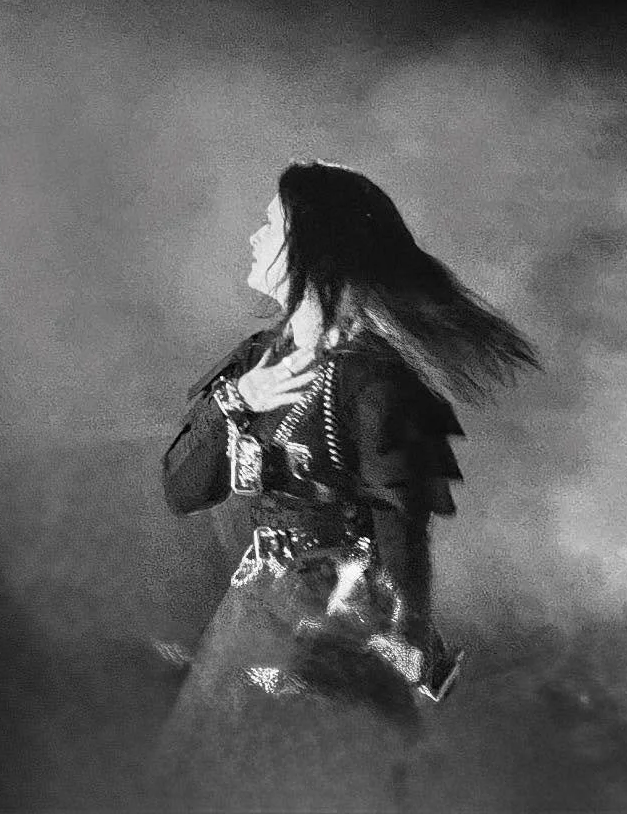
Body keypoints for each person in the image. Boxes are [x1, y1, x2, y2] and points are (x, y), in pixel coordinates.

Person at [153, 161, 538, 811]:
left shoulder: (374, 382)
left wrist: (410, 627)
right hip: (255, 608)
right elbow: (181, 489)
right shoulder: (250, 366)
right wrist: (234, 404)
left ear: (310, 249)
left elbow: (399, 515)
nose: (253, 237)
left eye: (270, 224)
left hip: (338, 618)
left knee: (314, 783)